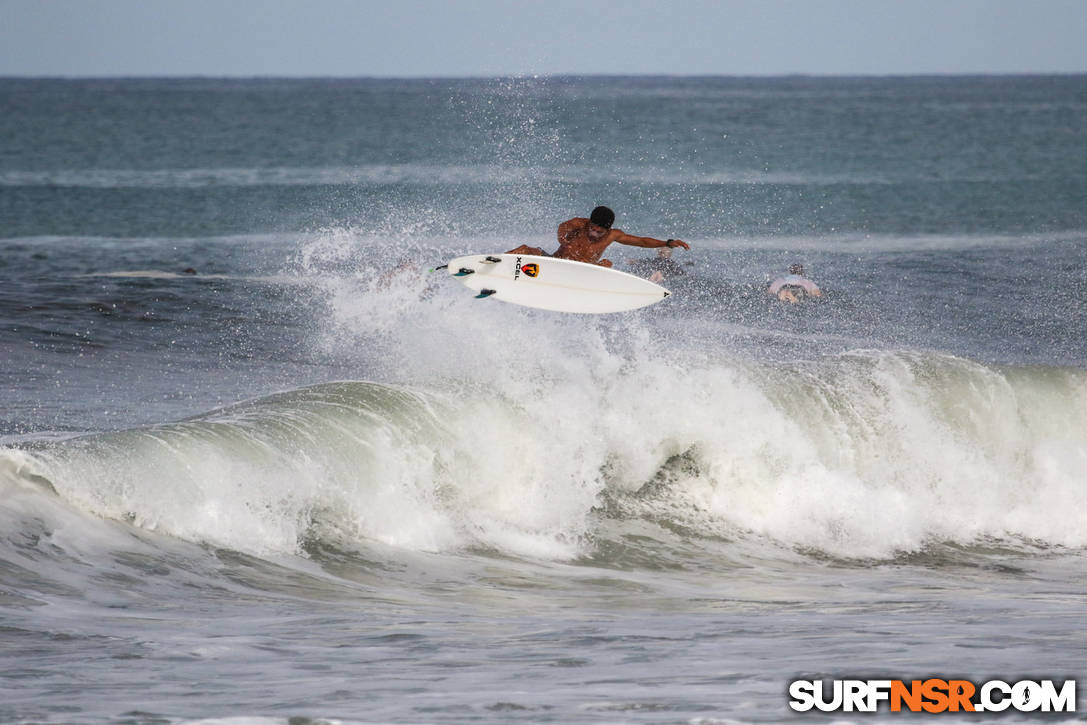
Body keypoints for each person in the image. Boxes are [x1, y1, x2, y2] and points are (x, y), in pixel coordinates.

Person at [507, 206, 690, 268]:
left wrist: (667, 243)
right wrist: (562, 238)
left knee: (607, 263)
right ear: (589, 223)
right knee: (526, 249)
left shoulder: (613, 235)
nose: (594, 234)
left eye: (599, 232)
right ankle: (495, 264)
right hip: (556, 263)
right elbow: (562, 227)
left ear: (608, 229)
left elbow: (641, 242)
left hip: (585, 272)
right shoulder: (579, 223)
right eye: (592, 229)